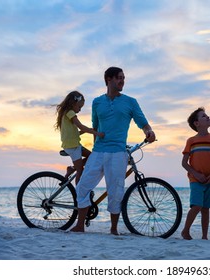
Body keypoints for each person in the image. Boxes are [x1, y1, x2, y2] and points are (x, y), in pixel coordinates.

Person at [69, 66, 156, 235]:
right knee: (82, 187)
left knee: (116, 191)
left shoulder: (130, 102)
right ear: (109, 79)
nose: (122, 81)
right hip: (99, 151)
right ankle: (80, 225)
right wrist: (93, 150)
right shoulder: (97, 102)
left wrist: (149, 132)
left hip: (118, 152)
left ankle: (114, 229)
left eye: (123, 78)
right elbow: (95, 126)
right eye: (119, 78)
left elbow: (143, 123)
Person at [180, 107, 210, 240]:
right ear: (197, 123)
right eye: (203, 116)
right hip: (196, 180)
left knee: (206, 208)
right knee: (197, 205)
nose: (207, 117)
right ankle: (185, 231)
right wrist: (196, 174)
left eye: (207, 115)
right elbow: (184, 163)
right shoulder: (191, 141)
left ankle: (204, 236)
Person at [55, 91, 104, 185]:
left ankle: (72, 168)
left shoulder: (66, 114)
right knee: (80, 170)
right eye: (79, 107)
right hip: (73, 147)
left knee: (92, 156)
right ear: (73, 103)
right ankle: (79, 193)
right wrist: (96, 133)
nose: (80, 110)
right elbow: (80, 126)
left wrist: (87, 130)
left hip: (74, 145)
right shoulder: (70, 113)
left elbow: (74, 133)